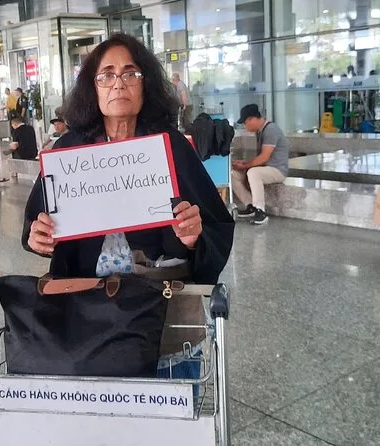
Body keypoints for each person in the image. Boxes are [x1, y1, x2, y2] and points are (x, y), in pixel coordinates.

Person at [22, 33, 234, 381]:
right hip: (87, 321)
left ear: (144, 84)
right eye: (106, 75)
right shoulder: (69, 149)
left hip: (164, 319)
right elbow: (37, 221)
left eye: (130, 73)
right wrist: (38, 236)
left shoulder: (171, 146)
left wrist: (194, 237)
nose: (118, 83)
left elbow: (216, 226)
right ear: (92, 87)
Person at [232, 103, 289, 225]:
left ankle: (260, 211)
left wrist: (246, 166)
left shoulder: (271, 129)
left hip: (277, 170)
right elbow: (259, 158)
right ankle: (250, 205)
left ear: (252, 119)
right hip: (265, 168)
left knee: (253, 172)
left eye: (245, 123)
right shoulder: (260, 132)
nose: (245, 126)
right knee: (233, 175)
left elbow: (264, 157)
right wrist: (244, 163)